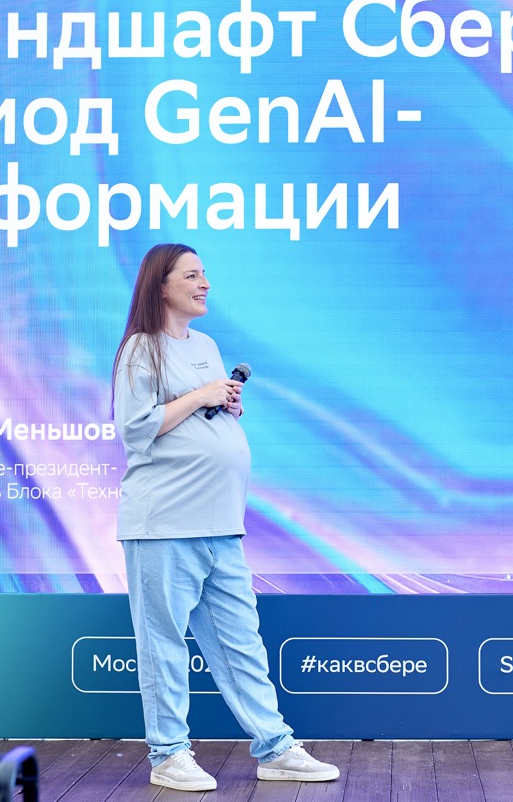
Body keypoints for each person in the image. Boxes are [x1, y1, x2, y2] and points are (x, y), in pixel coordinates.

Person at [111, 243, 339, 792]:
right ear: (161, 286)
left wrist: (226, 403)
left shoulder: (206, 346)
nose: (204, 283)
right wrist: (201, 396)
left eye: (204, 273)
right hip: (164, 523)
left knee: (241, 642)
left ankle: (275, 747)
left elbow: (199, 414)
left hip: (221, 524)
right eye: (192, 275)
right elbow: (135, 429)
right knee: (163, 643)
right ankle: (169, 754)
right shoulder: (141, 348)